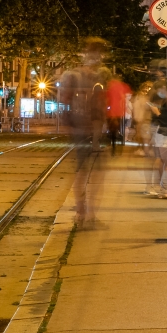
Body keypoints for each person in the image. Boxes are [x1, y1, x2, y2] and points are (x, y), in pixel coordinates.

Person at [59, 39, 108, 227]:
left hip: (79, 129)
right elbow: (104, 106)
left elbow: (64, 102)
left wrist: (69, 125)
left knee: (82, 171)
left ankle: (81, 212)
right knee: (95, 175)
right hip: (93, 129)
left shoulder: (71, 75)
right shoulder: (102, 76)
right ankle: (90, 214)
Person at [104, 72, 132, 155]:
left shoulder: (110, 86)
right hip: (119, 113)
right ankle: (116, 146)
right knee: (118, 129)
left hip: (111, 113)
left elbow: (107, 99)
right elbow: (126, 96)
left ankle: (113, 145)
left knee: (112, 131)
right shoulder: (123, 86)